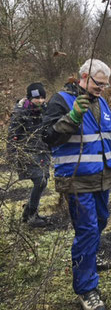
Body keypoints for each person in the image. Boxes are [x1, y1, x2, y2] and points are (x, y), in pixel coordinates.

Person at [42, 59, 111, 310]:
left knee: (100, 222)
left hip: (102, 178)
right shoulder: (62, 100)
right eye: (97, 83)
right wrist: (72, 118)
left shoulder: (101, 103)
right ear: (83, 76)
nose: (102, 88)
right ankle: (86, 289)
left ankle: (89, 258)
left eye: (105, 84)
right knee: (88, 230)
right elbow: (48, 136)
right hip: (76, 179)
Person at [7, 82, 51, 227]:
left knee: (44, 180)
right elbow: (12, 136)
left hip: (43, 150)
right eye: (36, 98)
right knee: (40, 180)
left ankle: (29, 213)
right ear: (29, 98)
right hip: (26, 152)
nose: (40, 100)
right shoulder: (20, 112)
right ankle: (31, 215)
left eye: (42, 97)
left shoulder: (46, 110)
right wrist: (12, 155)